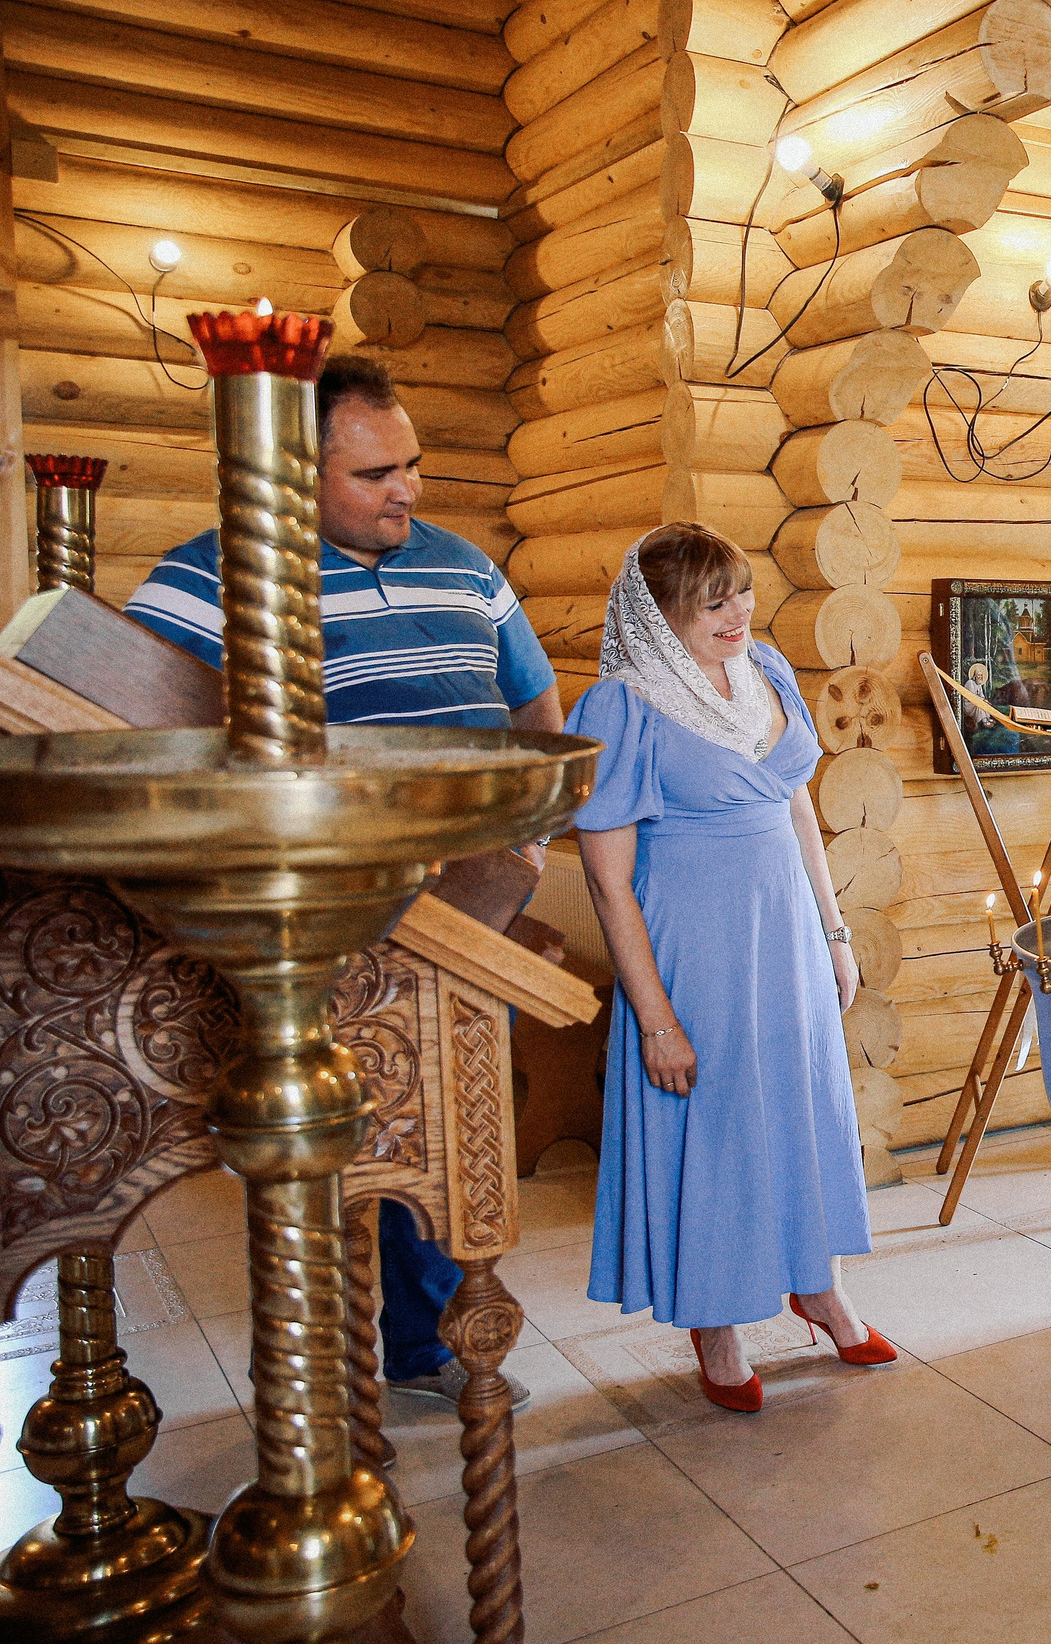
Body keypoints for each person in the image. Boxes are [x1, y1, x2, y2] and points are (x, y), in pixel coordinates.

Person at [128, 355, 553, 1413]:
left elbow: (536, 712)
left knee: (454, 1124)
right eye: (374, 474)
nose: (408, 488)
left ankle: (429, 1339)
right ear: (290, 472)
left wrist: (532, 834)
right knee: (341, 1136)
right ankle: (326, 1368)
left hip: (476, 902)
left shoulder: (468, 569)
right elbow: (128, 717)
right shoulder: (211, 577)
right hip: (322, 919)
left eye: (411, 463)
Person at [570, 524, 891, 1413]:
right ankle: (715, 1323)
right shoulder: (620, 707)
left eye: (740, 592)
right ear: (658, 615)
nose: (737, 613)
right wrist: (656, 1019)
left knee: (799, 1107)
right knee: (712, 1128)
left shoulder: (768, 669)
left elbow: (797, 807)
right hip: (694, 948)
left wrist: (834, 932)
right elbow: (607, 882)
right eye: (711, 603)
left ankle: (817, 1287)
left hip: (786, 932)